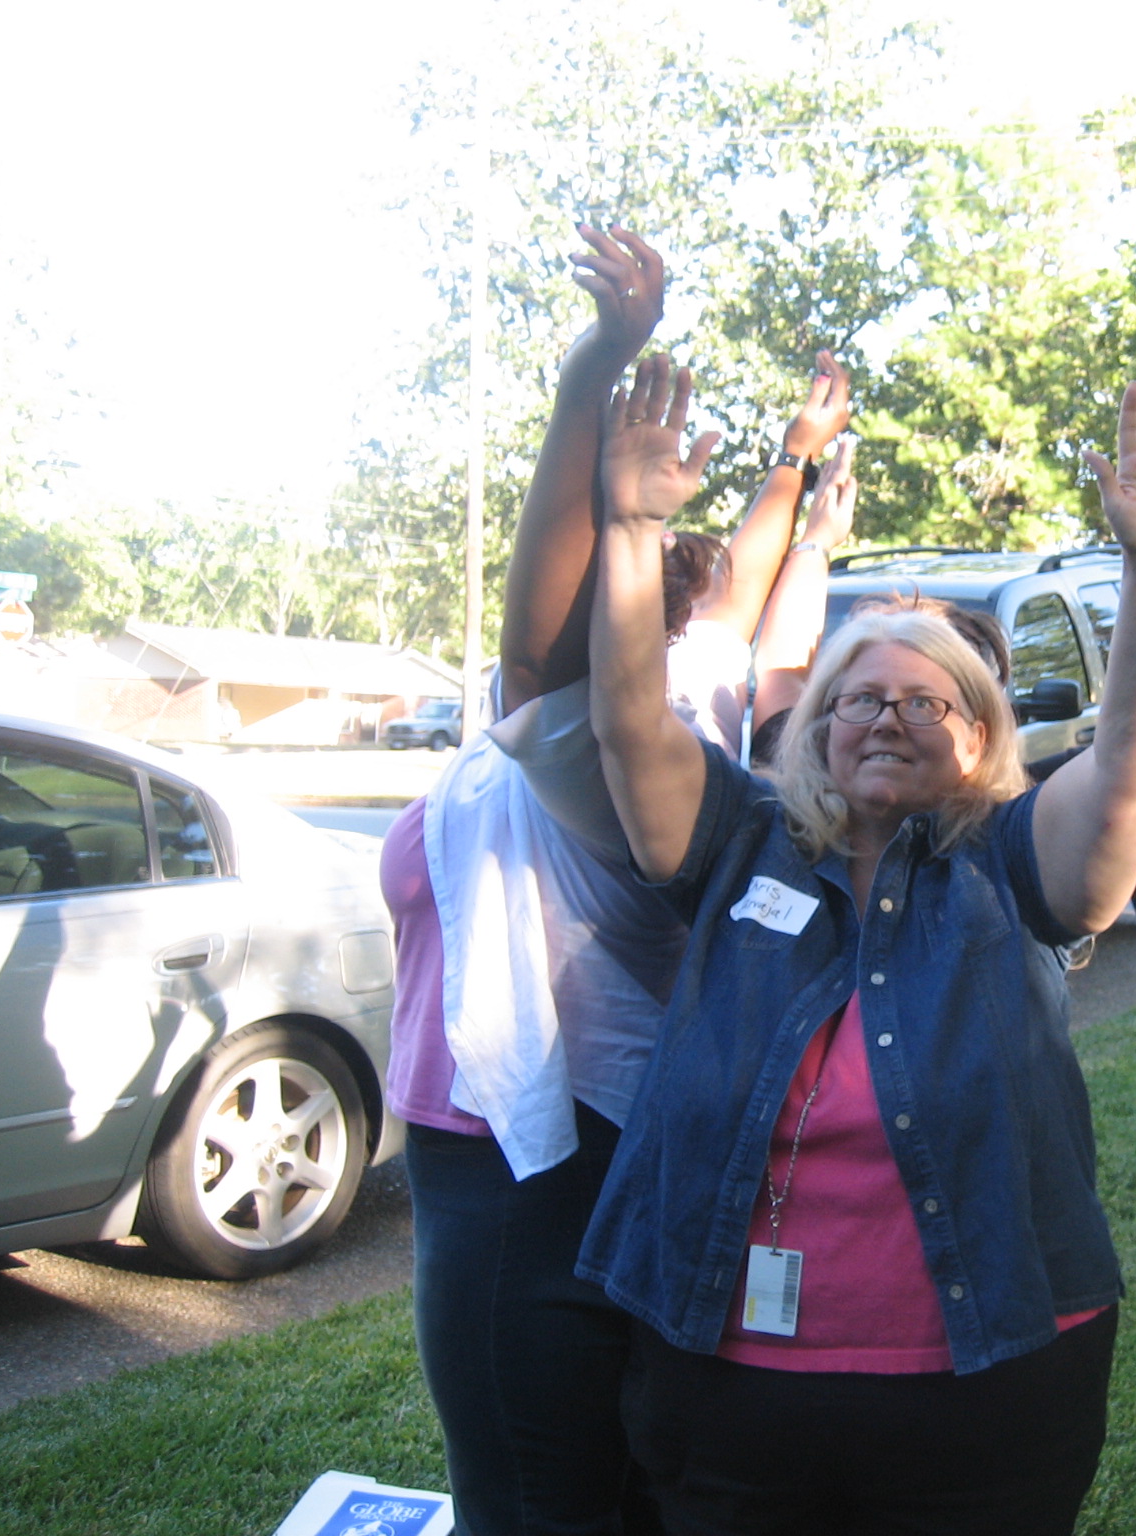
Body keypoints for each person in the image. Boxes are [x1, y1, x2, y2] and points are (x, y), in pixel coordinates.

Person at [575, 359, 1136, 1534]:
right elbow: (623, 718)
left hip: (988, 1388)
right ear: (812, 726)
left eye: (929, 703)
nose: (887, 718)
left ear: (980, 742)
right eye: (859, 697)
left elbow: (1124, 768)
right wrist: (630, 527)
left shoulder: (1010, 860)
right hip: (728, 1383)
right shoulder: (736, 841)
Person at [392, 220, 856, 1536]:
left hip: (531, 1169)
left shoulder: (618, 743)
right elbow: (749, 571)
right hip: (492, 1147)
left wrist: (598, 367)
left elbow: (547, 656)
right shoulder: (648, 710)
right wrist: (789, 465)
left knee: (544, 1498)